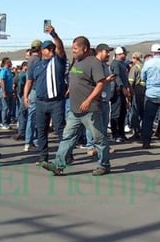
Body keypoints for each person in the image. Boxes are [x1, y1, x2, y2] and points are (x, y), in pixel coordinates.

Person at [41, 36, 110, 176]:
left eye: (75, 49)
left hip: (89, 110)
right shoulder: (77, 62)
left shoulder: (94, 63)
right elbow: (77, 80)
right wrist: (70, 90)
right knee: (68, 137)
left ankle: (104, 165)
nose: (73, 51)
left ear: (84, 48)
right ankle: (58, 165)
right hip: (74, 109)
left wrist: (88, 100)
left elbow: (100, 84)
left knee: (98, 138)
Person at [24, 29, 67, 166]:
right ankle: (43, 157)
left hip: (56, 102)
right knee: (41, 130)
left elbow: (60, 47)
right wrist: (25, 96)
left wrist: (54, 35)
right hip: (41, 102)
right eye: (48, 48)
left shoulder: (58, 61)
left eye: (52, 48)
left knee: (60, 129)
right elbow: (29, 81)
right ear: (42, 51)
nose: (51, 50)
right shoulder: (36, 66)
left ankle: (66, 156)